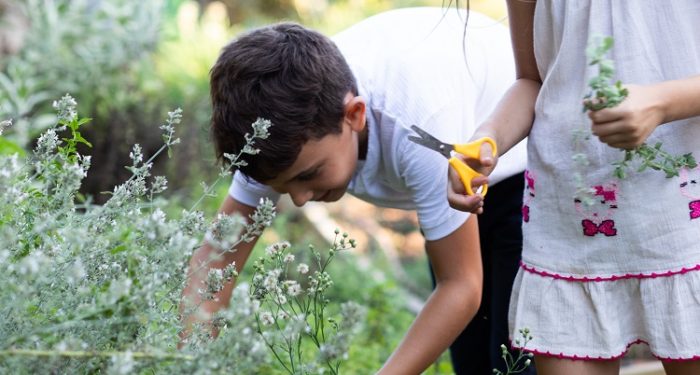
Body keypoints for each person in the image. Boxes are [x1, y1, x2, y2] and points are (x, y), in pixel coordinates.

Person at [181, 7, 528, 374]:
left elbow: (460, 285)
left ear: (355, 114)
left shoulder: (420, 130)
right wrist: (193, 365)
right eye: (281, 187)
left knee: (514, 359)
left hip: (520, 156)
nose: (299, 198)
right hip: (453, 165)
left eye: (309, 174)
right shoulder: (271, 133)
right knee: (473, 359)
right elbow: (214, 263)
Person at [448, 1, 700, 374]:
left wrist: (662, 104)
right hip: (568, 227)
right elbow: (533, 81)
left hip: (682, 222)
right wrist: (488, 137)